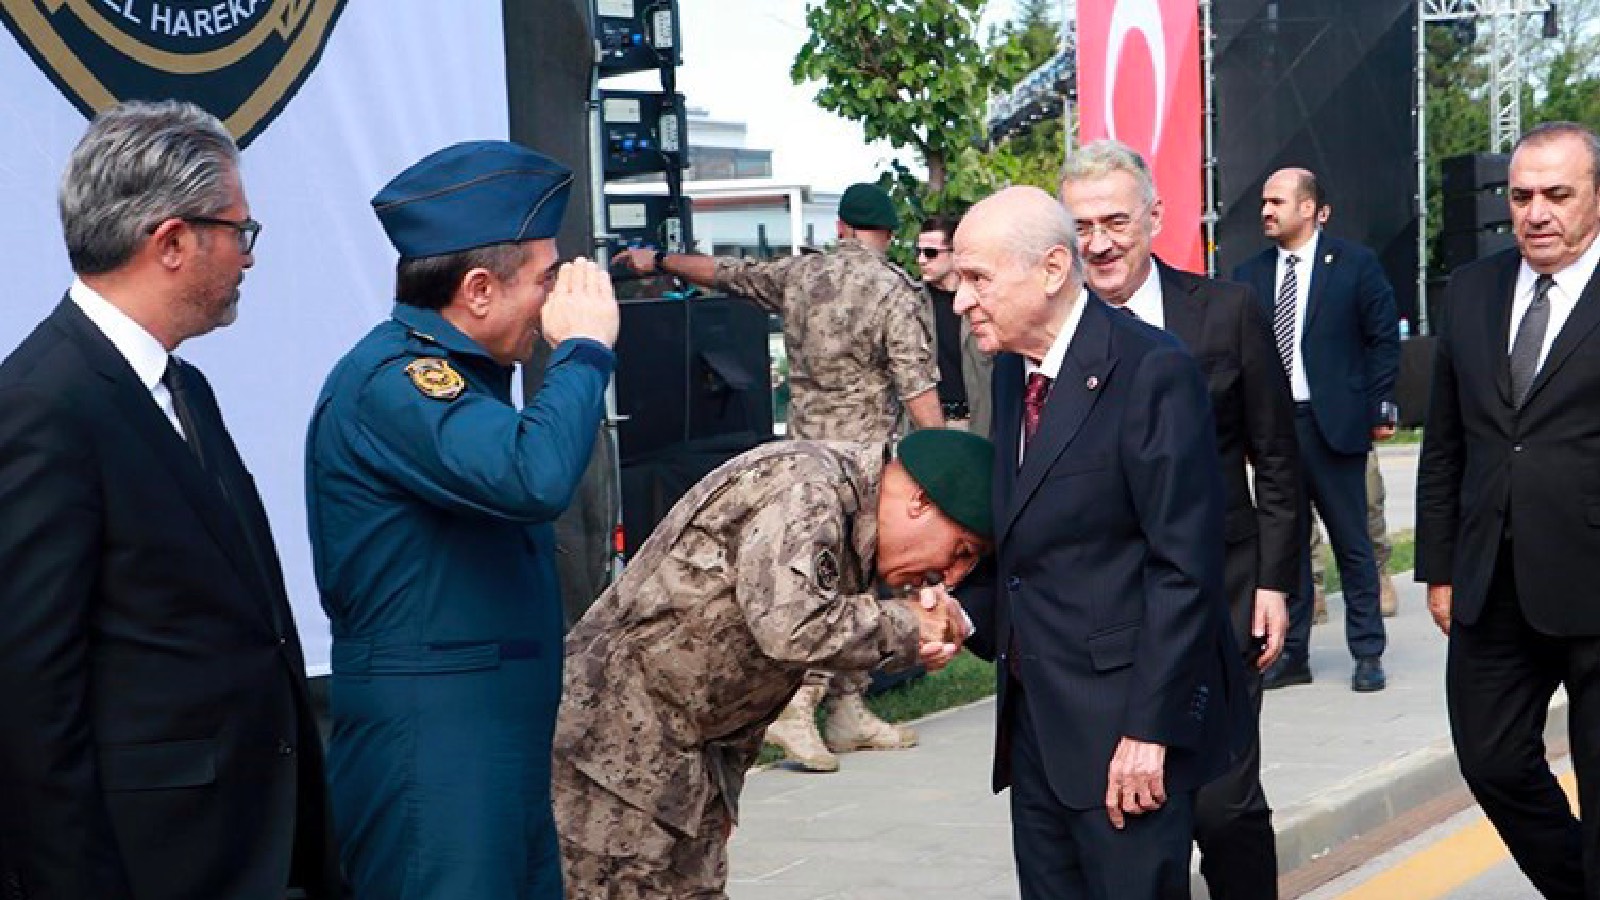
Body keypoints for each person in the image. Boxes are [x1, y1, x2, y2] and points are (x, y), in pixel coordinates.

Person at [0, 100, 340, 899]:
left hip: (252, 848)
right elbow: (29, 698)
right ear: (174, 241)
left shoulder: (184, 388)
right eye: (240, 232)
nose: (249, 258)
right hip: (153, 866)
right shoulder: (44, 407)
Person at [305, 141, 619, 898]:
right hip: (435, 758)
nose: (555, 300)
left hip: (487, 749)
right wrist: (581, 354)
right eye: (546, 280)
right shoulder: (397, 382)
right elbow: (532, 475)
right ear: (478, 290)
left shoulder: (466, 382)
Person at [952, 186, 1246, 899]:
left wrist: (1150, 731)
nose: (960, 300)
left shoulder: (1150, 370)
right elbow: (1024, 550)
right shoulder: (1008, 370)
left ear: (1052, 270)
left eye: (977, 278)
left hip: (1125, 738)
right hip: (1036, 733)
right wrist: (963, 615)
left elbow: (1184, 567)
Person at [555, 429, 987, 898]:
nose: (951, 575)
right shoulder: (806, 487)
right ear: (919, 501)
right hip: (612, 756)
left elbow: (751, 668)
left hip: (682, 760)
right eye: (960, 550)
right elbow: (790, 628)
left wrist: (720, 801)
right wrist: (905, 625)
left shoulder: (850, 522)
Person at [615, 182, 943, 772]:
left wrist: (655, 261)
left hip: (801, 457)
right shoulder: (894, 290)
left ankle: (846, 714)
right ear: (887, 234)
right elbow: (917, 385)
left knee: (818, 584)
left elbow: (723, 273)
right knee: (846, 589)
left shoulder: (798, 276)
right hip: (863, 465)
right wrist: (940, 462)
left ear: (841, 226)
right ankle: (801, 706)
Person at [1060, 139, 1298, 900]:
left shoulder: (1225, 312)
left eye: (1115, 221)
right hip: (1109, 614)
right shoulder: (1057, 336)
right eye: (1082, 226)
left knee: (1225, 806)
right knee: (1134, 807)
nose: (1098, 243)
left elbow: (1277, 456)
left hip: (1223, 595)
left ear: (1155, 218)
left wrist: (1274, 582)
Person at [1417, 120, 1600, 900]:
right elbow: (1446, 442)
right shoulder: (1473, 290)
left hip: (1594, 584)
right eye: (1522, 196)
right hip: (1490, 579)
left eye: (1557, 194)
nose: (1536, 213)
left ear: (1595, 196)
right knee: (1491, 761)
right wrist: (1438, 567)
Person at [1232, 168, 1399, 693]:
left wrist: (1380, 407)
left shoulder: (1355, 265)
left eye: (1276, 201)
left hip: (1334, 426)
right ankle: (1293, 653)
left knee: (1352, 544)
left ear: (1309, 208)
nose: (1266, 210)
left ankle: (1367, 652)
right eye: (1263, 201)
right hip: (1273, 432)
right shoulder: (1248, 275)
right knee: (1286, 546)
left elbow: (1382, 341)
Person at [920, 212, 995, 438]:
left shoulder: (982, 302)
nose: (921, 260)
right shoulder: (910, 304)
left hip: (978, 425)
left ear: (955, 255)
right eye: (919, 252)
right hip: (927, 427)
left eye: (930, 253)